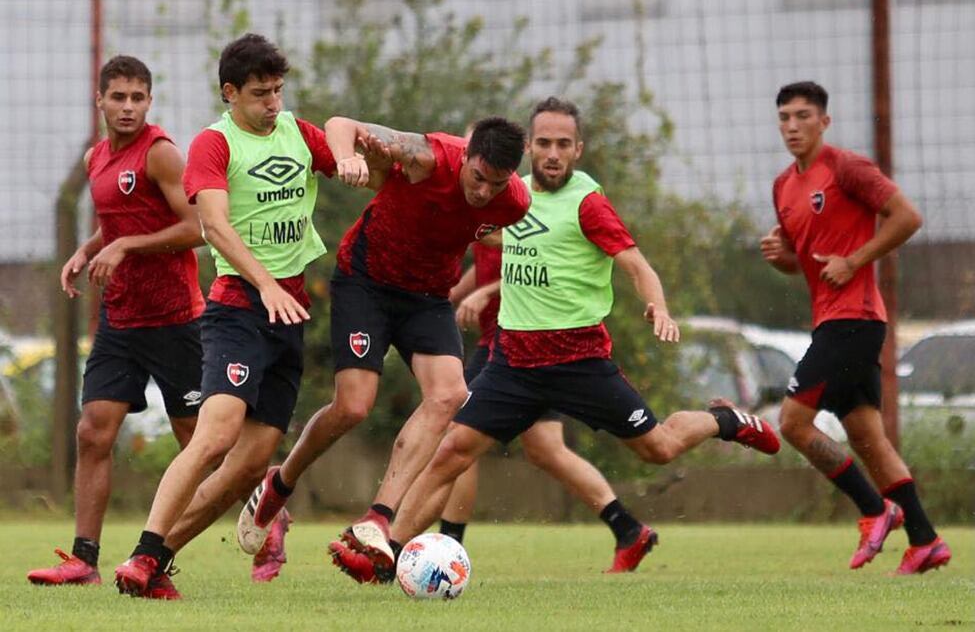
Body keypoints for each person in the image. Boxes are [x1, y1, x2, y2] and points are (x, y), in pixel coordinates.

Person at [331, 96, 781, 583]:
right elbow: (500, 242)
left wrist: (659, 305)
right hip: (512, 363)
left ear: (577, 150)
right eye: (544, 143)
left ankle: (723, 421)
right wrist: (469, 282)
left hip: (579, 362)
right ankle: (387, 556)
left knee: (658, 448)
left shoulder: (587, 203)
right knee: (450, 454)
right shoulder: (507, 194)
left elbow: (636, 264)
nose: (552, 153)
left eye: (563, 144)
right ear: (529, 147)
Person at [236, 115, 531, 581]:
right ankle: (280, 482)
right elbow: (340, 124)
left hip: (427, 298)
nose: (483, 191)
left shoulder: (514, 201)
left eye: (496, 184)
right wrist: (348, 158)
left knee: (450, 395)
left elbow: (487, 225)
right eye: (477, 177)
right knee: (353, 407)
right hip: (366, 283)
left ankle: (378, 518)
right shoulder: (428, 154)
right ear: (467, 154)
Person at [113, 33, 338, 599]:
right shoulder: (214, 144)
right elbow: (213, 226)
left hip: (289, 312)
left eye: (278, 91)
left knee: (250, 464)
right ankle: (142, 551)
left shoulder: (298, 133)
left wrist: (360, 154)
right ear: (230, 93)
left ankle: (155, 561)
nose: (273, 103)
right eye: (261, 94)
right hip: (238, 308)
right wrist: (265, 283)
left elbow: (352, 148)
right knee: (215, 437)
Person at [26, 56, 205, 588]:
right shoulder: (97, 158)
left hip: (174, 319)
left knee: (201, 444)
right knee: (92, 431)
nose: (128, 107)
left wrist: (126, 245)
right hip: (121, 318)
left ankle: (266, 513)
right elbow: (119, 221)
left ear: (149, 102)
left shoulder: (161, 153)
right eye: (118, 97)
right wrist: (87, 250)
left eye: (137, 98)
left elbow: (197, 227)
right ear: (99, 101)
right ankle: (84, 561)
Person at [760, 81, 950, 574]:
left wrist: (856, 259)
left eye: (803, 116)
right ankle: (925, 540)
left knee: (792, 423)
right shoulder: (783, 186)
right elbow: (806, 261)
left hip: (855, 320)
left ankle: (874, 509)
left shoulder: (846, 167)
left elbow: (907, 217)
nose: (792, 126)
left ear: (824, 121)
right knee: (868, 438)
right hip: (833, 320)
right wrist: (783, 259)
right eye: (784, 117)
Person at [442, 241, 653, 573]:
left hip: (516, 345)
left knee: (459, 436)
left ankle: (445, 548)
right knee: (545, 448)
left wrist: (487, 292)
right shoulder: (484, 214)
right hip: (514, 346)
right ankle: (627, 528)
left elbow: (546, 264)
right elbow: (487, 262)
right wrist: (452, 292)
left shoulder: (520, 212)